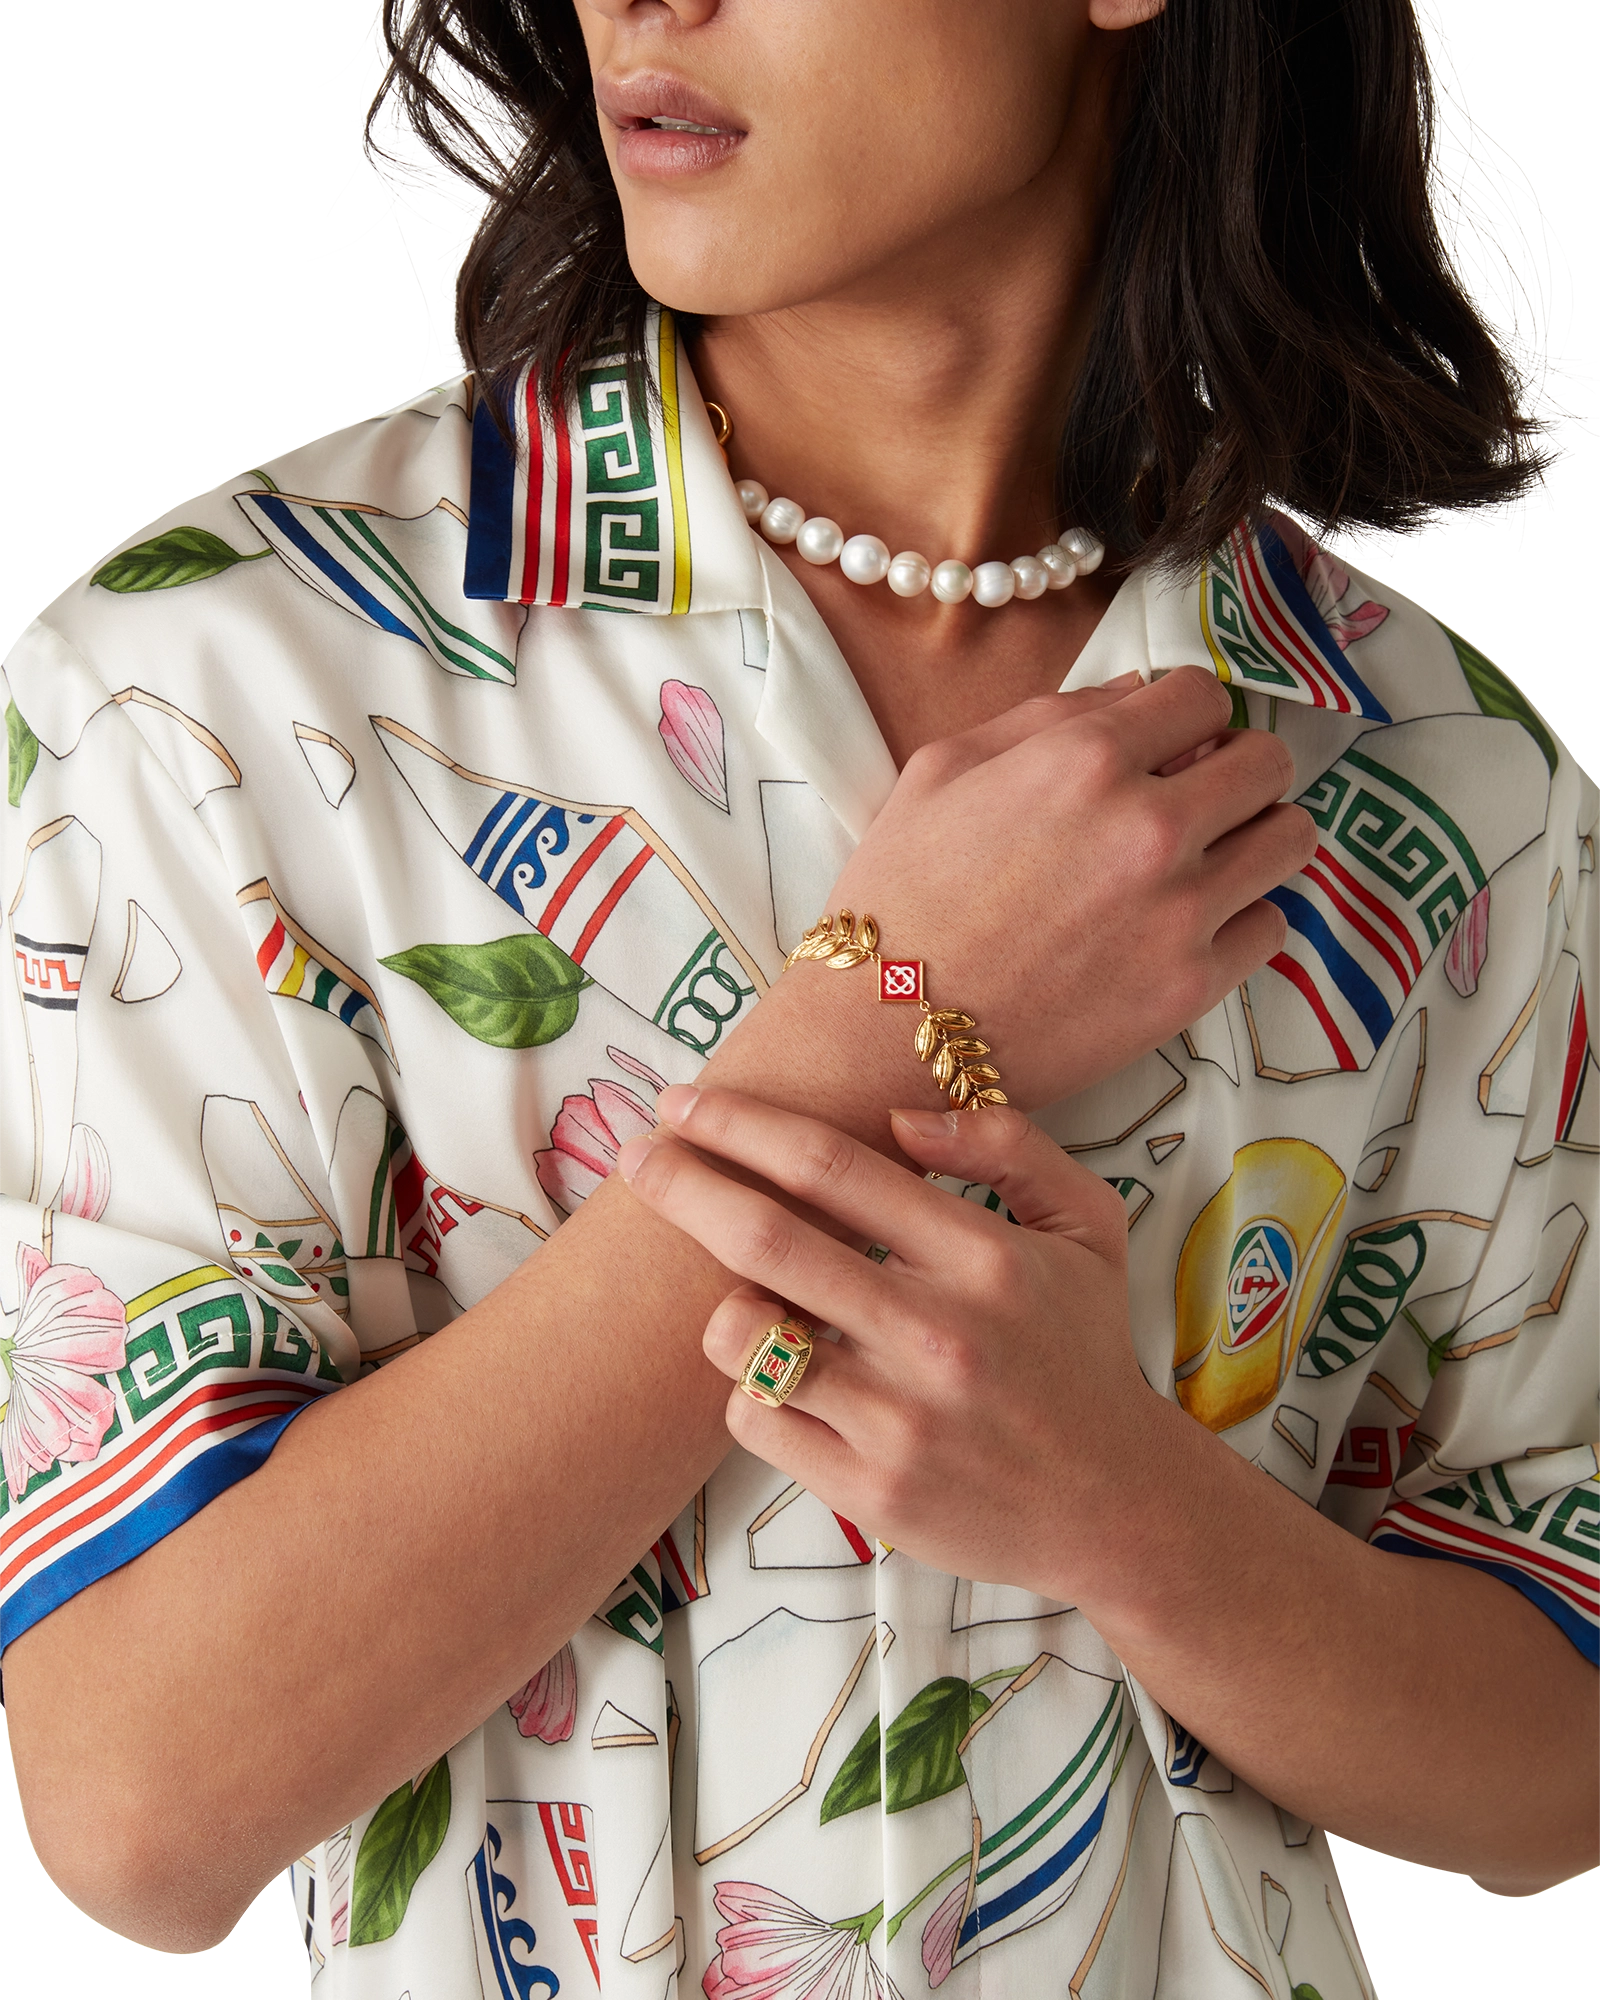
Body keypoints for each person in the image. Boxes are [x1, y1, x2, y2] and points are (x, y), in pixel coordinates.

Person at [2, 2, 1597, 1996]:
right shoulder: (220, 694)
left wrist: (1123, 1508)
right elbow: (139, 1806)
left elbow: (1560, 1752)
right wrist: (884, 1023)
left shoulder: (1436, 776)